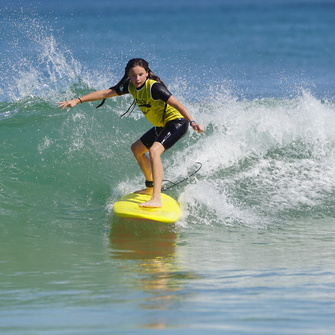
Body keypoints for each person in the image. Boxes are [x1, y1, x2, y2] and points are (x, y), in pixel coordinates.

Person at [58, 58, 204, 208]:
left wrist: (192, 122)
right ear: (128, 75)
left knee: (154, 151)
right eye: (133, 75)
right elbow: (105, 94)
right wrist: (77, 100)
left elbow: (177, 104)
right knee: (137, 149)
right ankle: (150, 187)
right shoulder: (130, 86)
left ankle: (156, 198)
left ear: (147, 73)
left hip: (177, 122)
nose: (137, 79)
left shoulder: (155, 88)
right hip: (162, 125)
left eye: (141, 74)